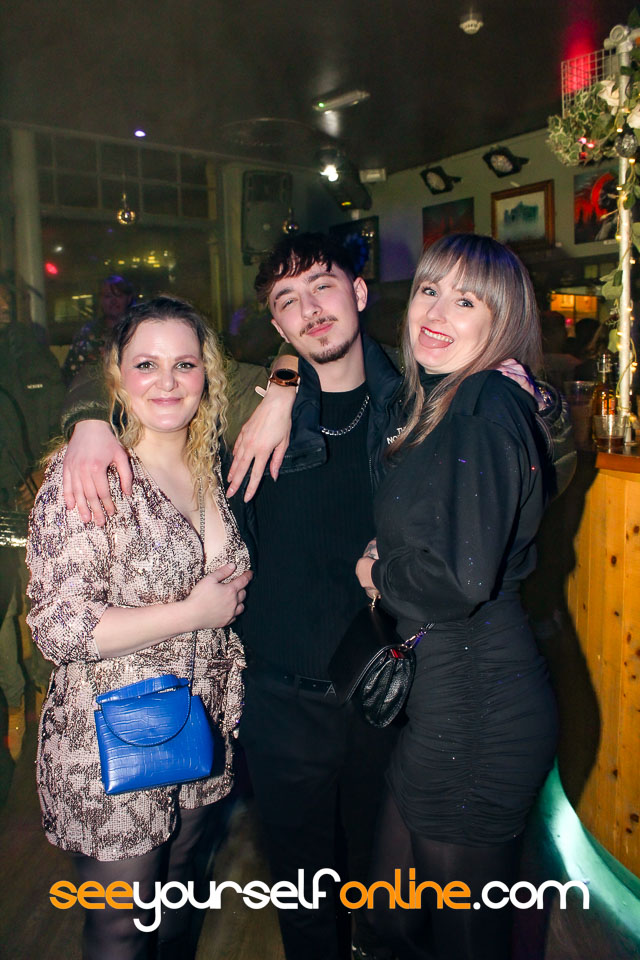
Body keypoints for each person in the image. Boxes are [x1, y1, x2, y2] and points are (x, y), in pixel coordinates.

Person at [58, 234, 573, 960]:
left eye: (324, 286)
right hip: (278, 698)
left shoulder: (423, 391)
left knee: (387, 900)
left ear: (359, 293)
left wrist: (531, 398)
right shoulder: (244, 395)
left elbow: (545, 444)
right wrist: (88, 424)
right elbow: (127, 365)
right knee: (302, 901)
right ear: (277, 324)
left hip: (387, 694)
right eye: (287, 301)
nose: (311, 310)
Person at [26, 296, 252, 960]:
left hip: (202, 722)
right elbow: (60, 626)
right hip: (114, 737)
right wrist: (195, 612)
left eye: (185, 364)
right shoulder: (91, 475)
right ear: (116, 376)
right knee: (121, 929)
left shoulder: (211, 467)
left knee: (177, 904)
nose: (168, 382)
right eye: (146, 364)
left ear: (207, 373)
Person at [354, 234, 558, 960]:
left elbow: (459, 579)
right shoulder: (453, 399)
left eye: (465, 300)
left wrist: (379, 576)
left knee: (462, 940)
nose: (436, 313)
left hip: (476, 710)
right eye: (429, 291)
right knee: (388, 920)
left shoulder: (480, 401)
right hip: (449, 701)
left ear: (503, 320)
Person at [62, 274, 135, 384]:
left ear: (128, 299)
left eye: (118, 295)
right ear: (100, 300)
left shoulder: (138, 331)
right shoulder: (86, 333)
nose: (113, 301)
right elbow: (70, 375)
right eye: (108, 296)